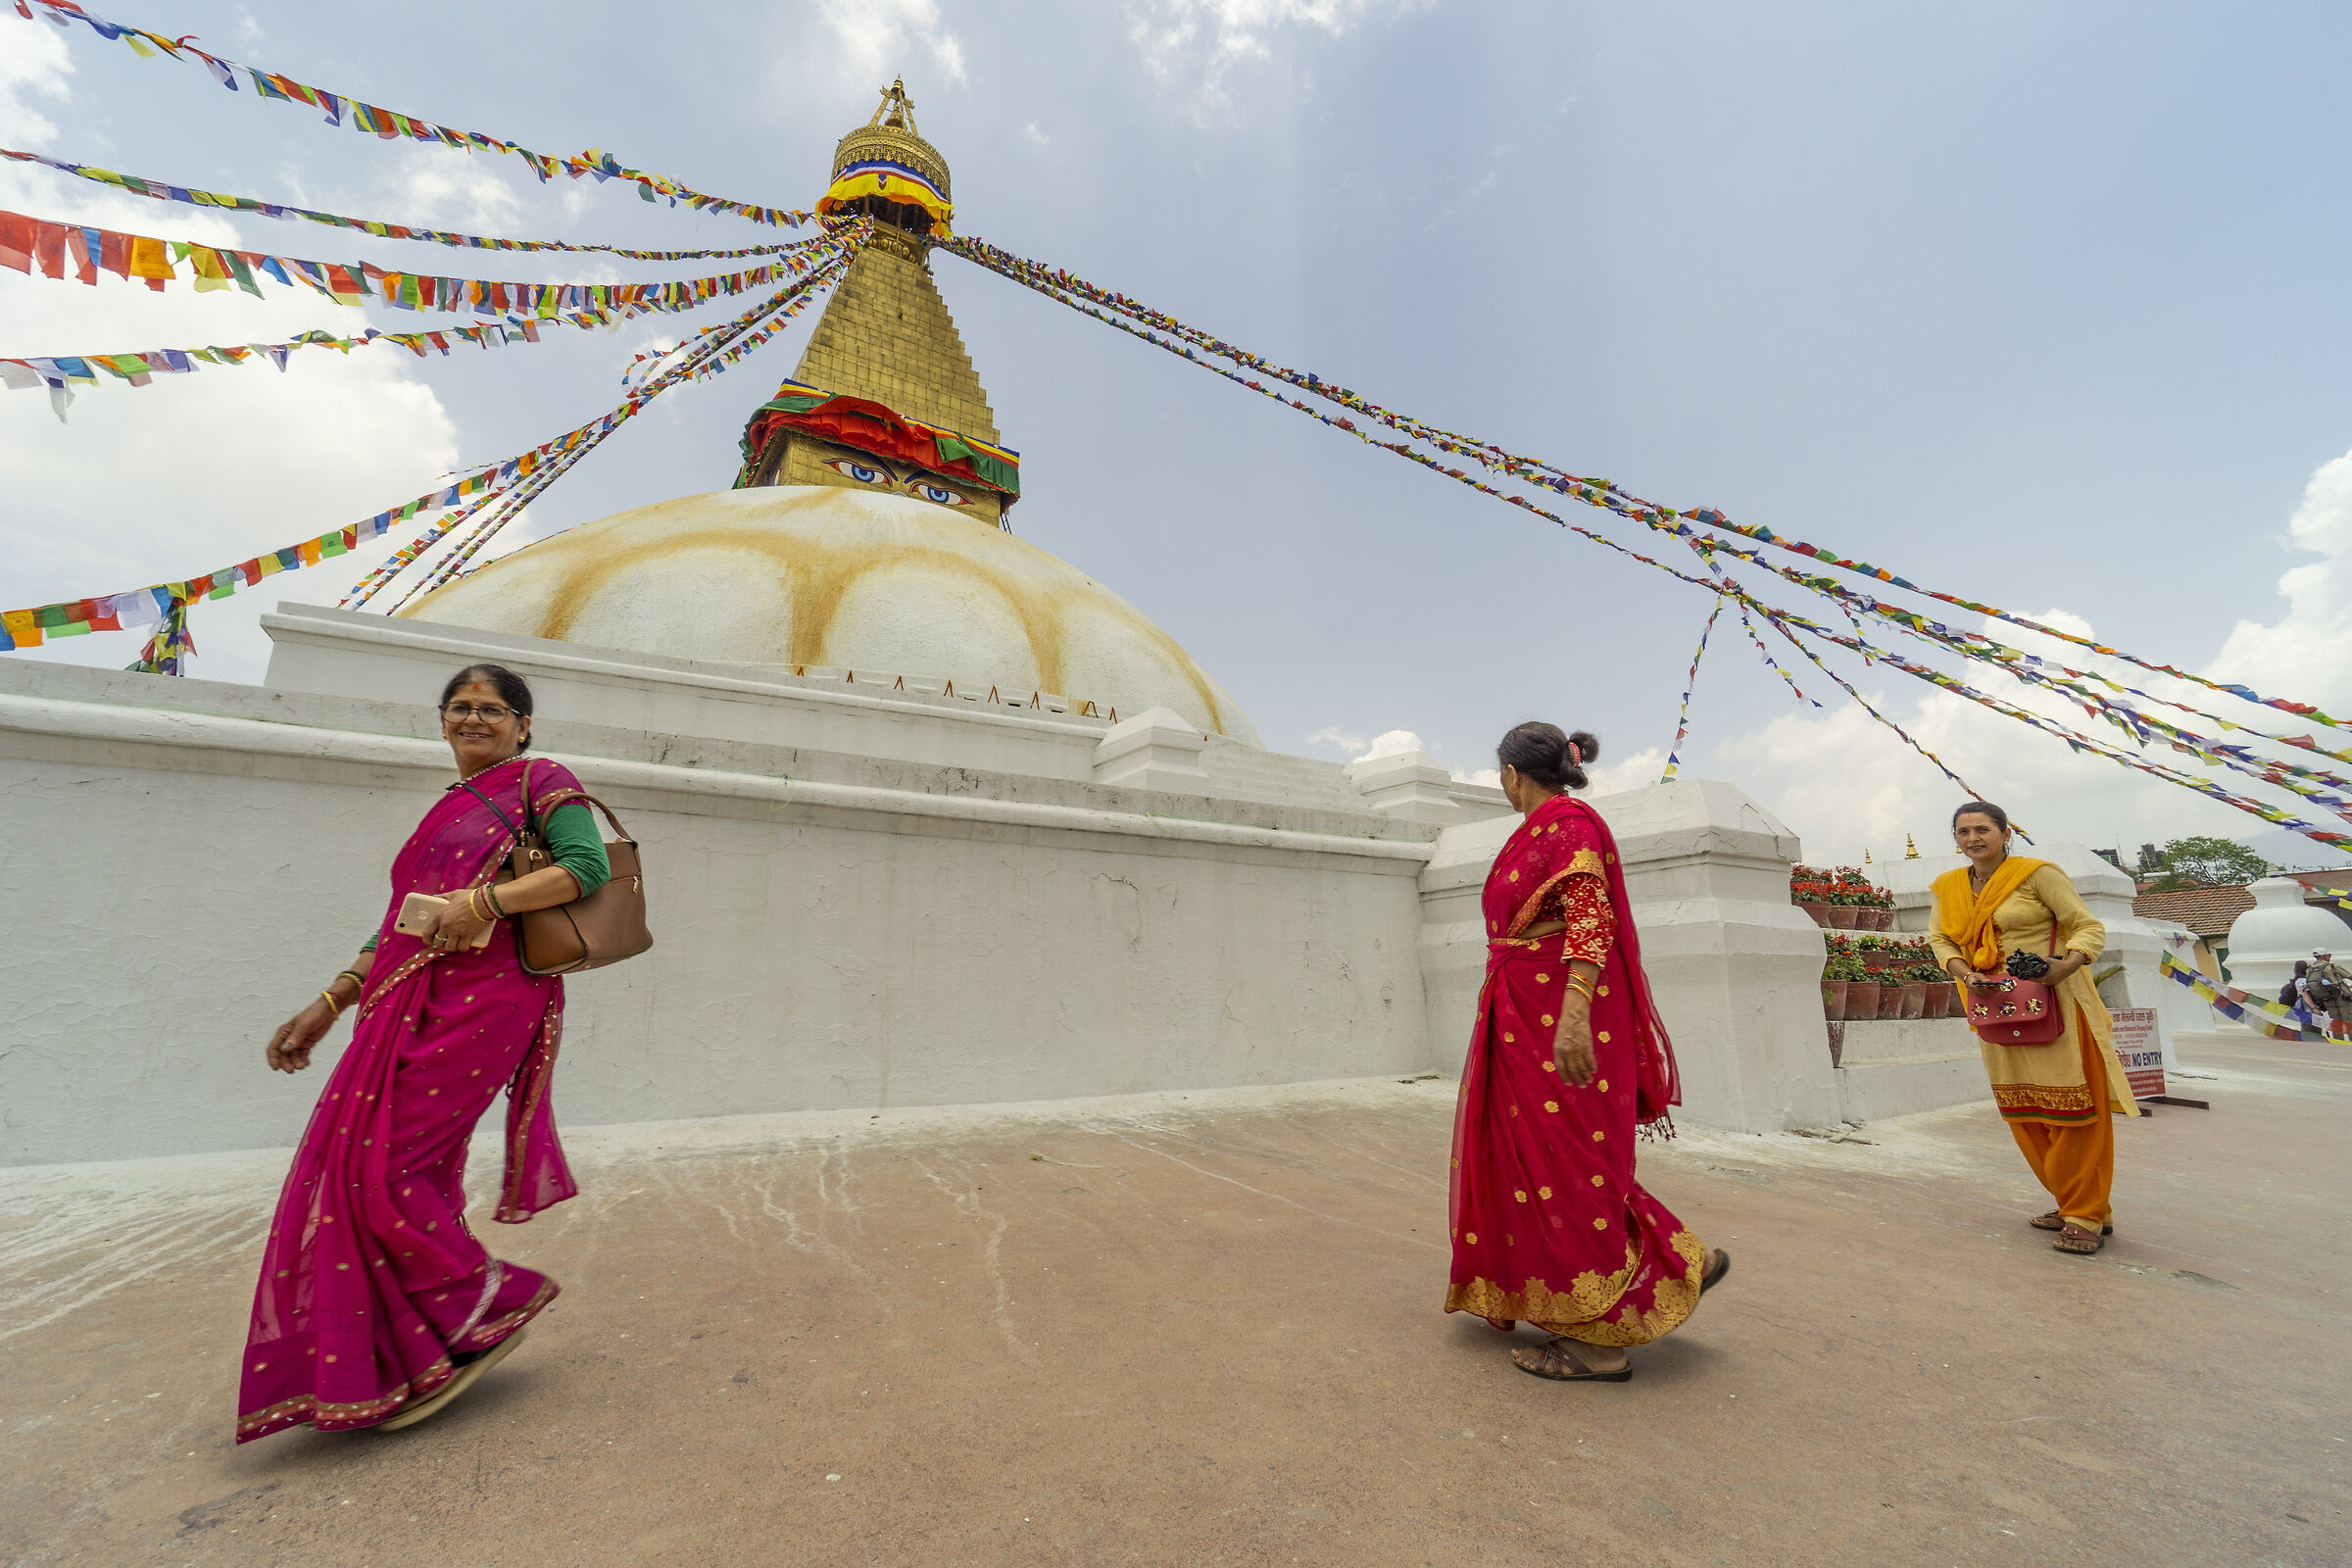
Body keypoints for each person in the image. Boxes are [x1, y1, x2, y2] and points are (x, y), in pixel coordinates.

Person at [237, 663, 612, 1443]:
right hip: (406, 998)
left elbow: (586, 869)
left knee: (384, 1168)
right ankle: (411, 1348)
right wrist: (330, 1001)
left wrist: (483, 901)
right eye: (460, 707)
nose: (474, 719)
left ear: (523, 726)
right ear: (442, 720)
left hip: (491, 1000)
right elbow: (401, 923)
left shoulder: (541, 781)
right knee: (359, 1163)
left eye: (493, 709)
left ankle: (486, 1303)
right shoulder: (448, 808)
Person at [1446, 721, 1729, 1381]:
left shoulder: (1568, 825)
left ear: (1511, 773)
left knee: (1568, 1158)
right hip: (1522, 1009)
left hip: (1558, 1013)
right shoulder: (1542, 827)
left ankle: (1599, 1343)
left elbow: (1590, 918)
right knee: (1540, 1155)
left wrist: (1574, 1015)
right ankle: (1680, 1263)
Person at [1930, 802, 2138, 1256]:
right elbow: (1940, 938)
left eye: (1982, 829)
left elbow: (2087, 927)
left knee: (2074, 1107)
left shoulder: (2037, 874)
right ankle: (2077, 1203)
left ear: (2006, 834)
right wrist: (1965, 973)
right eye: (1963, 831)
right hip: (1994, 1005)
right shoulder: (1949, 886)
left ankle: (2084, 1214)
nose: (1973, 838)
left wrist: (2066, 965)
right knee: (2025, 1109)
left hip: (2057, 1000)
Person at [2308, 950, 2352, 1037]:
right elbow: (2350, 976)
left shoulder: (2310, 969)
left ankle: (2338, 1042)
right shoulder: (2332, 966)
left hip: (2326, 1000)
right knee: (2349, 1021)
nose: (2330, 957)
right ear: (2324, 956)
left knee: (2335, 1023)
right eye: (2329, 955)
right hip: (2342, 998)